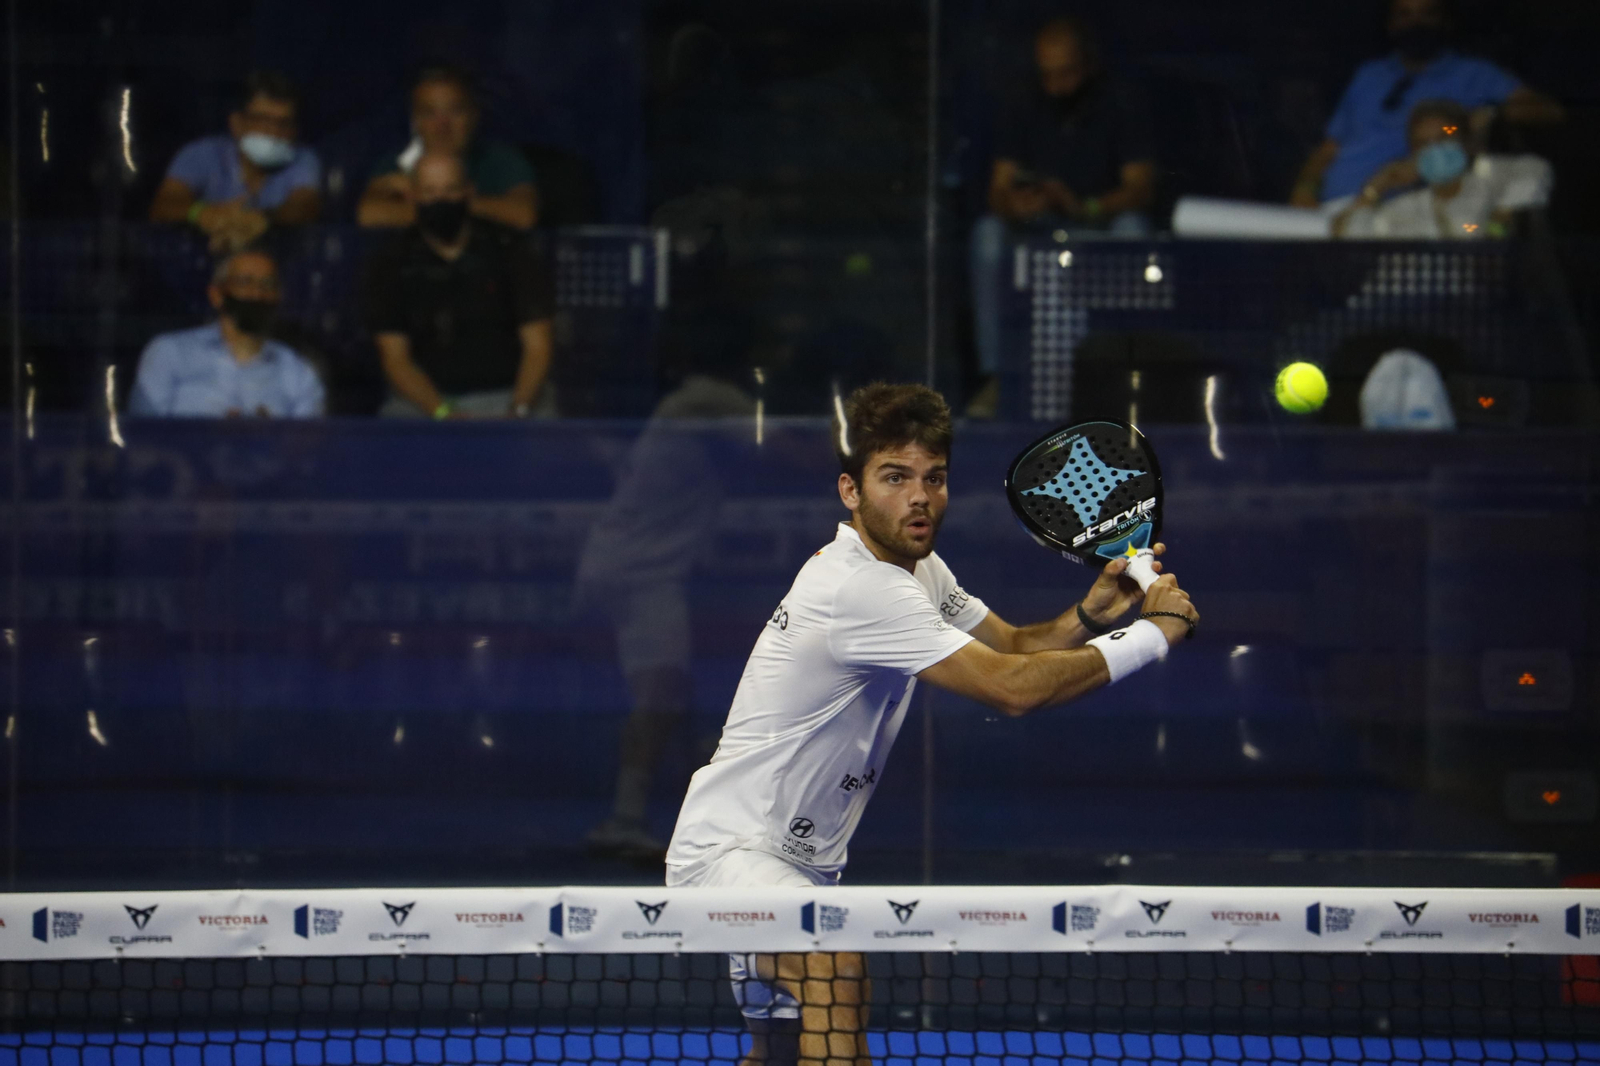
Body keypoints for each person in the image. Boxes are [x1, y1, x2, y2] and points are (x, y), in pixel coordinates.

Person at [664, 383, 1198, 1066]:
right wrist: (1154, 635)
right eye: (894, 477)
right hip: (734, 855)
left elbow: (1011, 649)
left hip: (800, 861)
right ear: (849, 492)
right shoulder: (862, 587)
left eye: (933, 479)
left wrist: (1090, 617)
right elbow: (1009, 691)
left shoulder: (918, 570)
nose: (919, 497)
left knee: (775, 1053)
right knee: (836, 967)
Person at [969, 17, 1156, 414]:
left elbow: (1141, 187)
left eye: (1066, 74)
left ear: (1087, 64)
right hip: (1037, 228)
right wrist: (1016, 206)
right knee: (988, 235)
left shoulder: (1118, 102)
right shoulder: (1023, 101)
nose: (1056, 86)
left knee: (1133, 230)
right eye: (1047, 75)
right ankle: (997, 377)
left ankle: (1129, 374)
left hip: (1095, 227)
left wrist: (1085, 207)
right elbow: (998, 187)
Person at [1290, 0, 1562, 208]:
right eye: (1405, 15)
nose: (1416, 23)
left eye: (1426, 14)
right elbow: (1329, 148)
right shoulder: (1369, 74)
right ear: (1390, 24)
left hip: (1400, 215)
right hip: (1328, 211)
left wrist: (1489, 114)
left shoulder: (1472, 74)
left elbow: (1549, 111)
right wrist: (1304, 190)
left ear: (1444, 21)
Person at [362, 152, 555, 418]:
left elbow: (538, 345)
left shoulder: (510, 249)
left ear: (469, 191)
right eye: (430, 192)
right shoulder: (391, 261)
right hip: (424, 403)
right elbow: (395, 359)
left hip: (509, 395)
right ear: (413, 196)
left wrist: (518, 411)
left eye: (450, 190)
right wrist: (444, 412)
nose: (440, 200)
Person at [129, 248, 324, 418]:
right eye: (245, 282)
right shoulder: (169, 353)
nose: (257, 294)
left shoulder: (298, 372)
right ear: (216, 294)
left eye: (268, 284)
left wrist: (269, 437)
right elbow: (142, 441)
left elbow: (307, 453)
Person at [148, 71, 322, 254]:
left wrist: (263, 218)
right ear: (237, 123)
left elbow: (305, 206)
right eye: (262, 120)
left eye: (284, 123)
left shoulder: (303, 159)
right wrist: (202, 213)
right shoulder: (201, 153)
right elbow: (163, 205)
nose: (274, 131)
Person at [1332, 99, 1552, 239]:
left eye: (1444, 137)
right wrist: (1374, 188)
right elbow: (1347, 233)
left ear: (1465, 142)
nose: (1434, 149)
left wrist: (1500, 216)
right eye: (1422, 144)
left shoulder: (1491, 177)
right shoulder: (1403, 208)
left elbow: (1535, 172)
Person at [357, 66, 538, 231]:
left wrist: (443, 204)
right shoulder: (400, 163)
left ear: (474, 116)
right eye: (429, 113)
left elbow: (523, 215)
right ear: (415, 122)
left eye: (455, 111)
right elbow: (368, 214)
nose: (442, 125)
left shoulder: (501, 160)